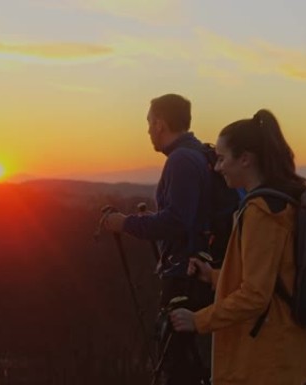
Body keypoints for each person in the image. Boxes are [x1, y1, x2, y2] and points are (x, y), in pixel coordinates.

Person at [169, 109, 306, 384]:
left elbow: (255, 295)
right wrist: (215, 276)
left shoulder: (261, 212)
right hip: (285, 353)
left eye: (222, 158)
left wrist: (198, 321)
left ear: (245, 159)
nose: (217, 168)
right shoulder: (284, 201)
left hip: (265, 360)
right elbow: (271, 278)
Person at [103, 93, 214, 385]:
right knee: (188, 363)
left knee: (177, 366)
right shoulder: (199, 154)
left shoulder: (181, 160)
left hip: (185, 277)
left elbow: (176, 221)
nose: (148, 130)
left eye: (150, 123)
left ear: (161, 124)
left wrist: (125, 223)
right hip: (200, 272)